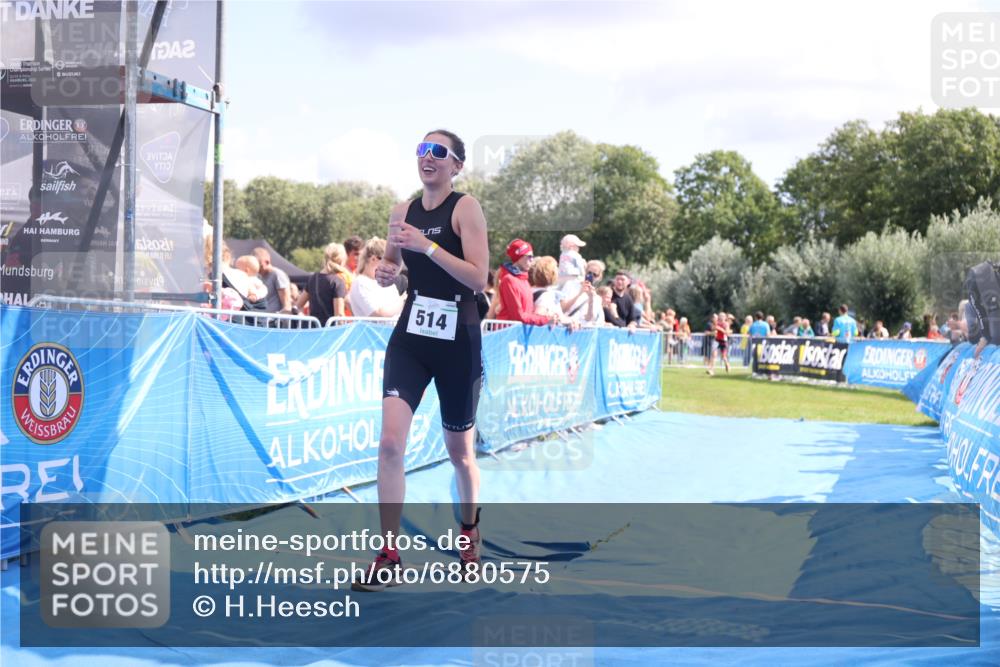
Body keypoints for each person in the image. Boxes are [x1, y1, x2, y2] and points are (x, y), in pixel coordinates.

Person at [353, 130, 489, 592]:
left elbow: (477, 277)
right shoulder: (401, 211)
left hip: (458, 339)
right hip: (412, 335)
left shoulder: (465, 208)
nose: (426, 158)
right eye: (421, 150)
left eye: (438, 152)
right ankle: (389, 554)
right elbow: (391, 272)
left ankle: (469, 532)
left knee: (460, 454)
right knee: (391, 444)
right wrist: (388, 272)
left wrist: (427, 247)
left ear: (456, 165)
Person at [496, 240, 571, 326]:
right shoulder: (509, 280)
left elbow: (528, 313)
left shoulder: (524, 280)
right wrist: (545, 319)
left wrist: (549, 316)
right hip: (508, 333)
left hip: (519, 332)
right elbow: (519, 316)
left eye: (532, 257)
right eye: (529, 256)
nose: (532, 260)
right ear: (519, 257)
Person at [348, 237, 406, 318]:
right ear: (373, 259)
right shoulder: (360, 283)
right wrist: (403, 300)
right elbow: (379, 314)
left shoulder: (388, 284)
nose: (391, 265)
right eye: (387, 260)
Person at [295, 242, 350, 326]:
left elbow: (296, 307)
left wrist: (306, 322)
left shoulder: (313, 278)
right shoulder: (337, 282)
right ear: (342, 261)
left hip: (313, 331)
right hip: (330, 333)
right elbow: (339, 316)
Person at [253, 247, 291, 314]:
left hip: (274, 320)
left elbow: (287, 305)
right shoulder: (257, 276)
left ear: (267, 262)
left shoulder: (278, 275)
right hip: (262, 318)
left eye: (260, 266)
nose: (257, 269)